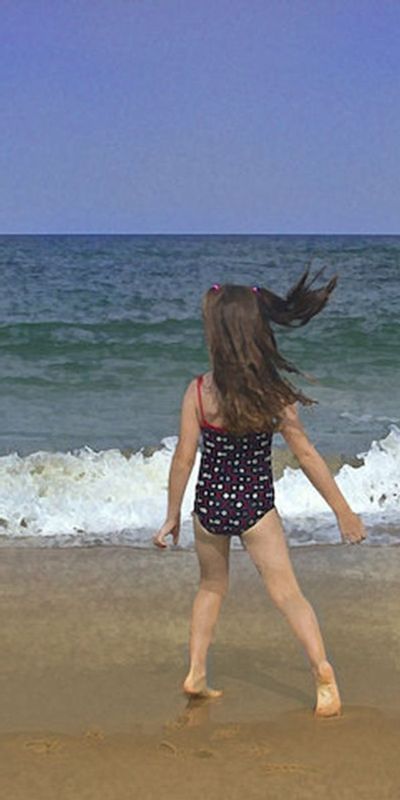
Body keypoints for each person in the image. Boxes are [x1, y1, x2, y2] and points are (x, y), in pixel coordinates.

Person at [153, 270, 366, 718]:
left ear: (216, 335)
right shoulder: (272, 393)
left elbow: (183, 460)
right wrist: (343, 512)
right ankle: (323, 673)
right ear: (256, 331)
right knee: (288, 594)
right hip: (255, 508)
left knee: (210, 587)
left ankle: (196, 672)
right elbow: (306, 455)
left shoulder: (197, 392)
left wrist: (172, 515)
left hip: (208, 507)